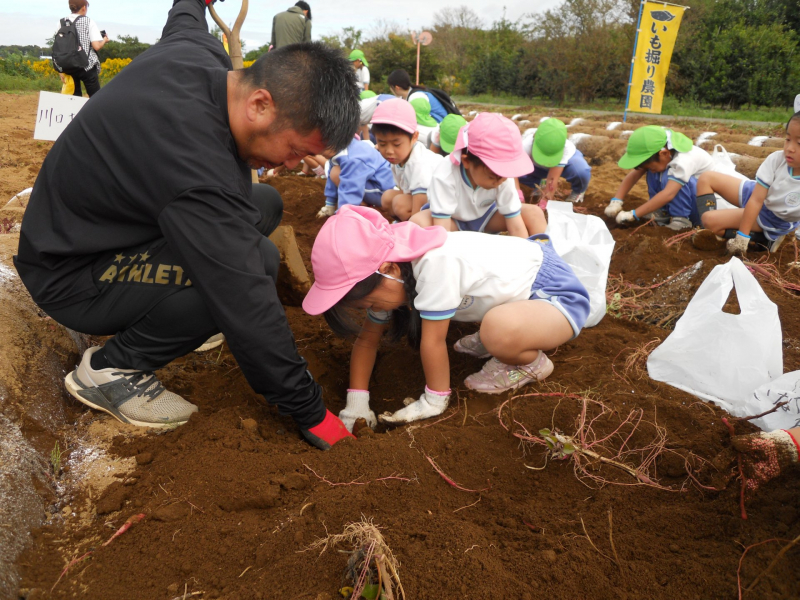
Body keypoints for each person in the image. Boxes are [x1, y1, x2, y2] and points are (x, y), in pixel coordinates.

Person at [14, 0, 360, 450]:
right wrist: (312, 412)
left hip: (104, 226)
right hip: (70, 273)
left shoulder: (201, 56)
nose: (292, 164)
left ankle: (176, 315)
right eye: (294, 150)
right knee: (252, 263)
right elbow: (247, 300)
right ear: (260, 103)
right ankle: (113, 371)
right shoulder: (197, 166)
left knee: (265, 202)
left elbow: (185, 18)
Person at [301, 205, 590, 429]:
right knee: (494, 327)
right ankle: (498, 336)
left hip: (553, 293)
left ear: (387, 270)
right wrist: (356, 404)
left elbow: (433, 341)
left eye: (371, 302)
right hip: (516, 289)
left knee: (498, 332)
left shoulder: (434, 264)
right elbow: (366, 341)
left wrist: (434, 400)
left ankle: (528, 362)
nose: (373, 309)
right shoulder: (389, 269)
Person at [411, 112, 547, 238]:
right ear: (466, 161)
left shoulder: (503, 176)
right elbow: (442, 229)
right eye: (492, 176)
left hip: (487, 218)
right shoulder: (445, 175)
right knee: (418, 223)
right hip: (453, 222)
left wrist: (526, 254)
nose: (499, 181)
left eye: (503, 175)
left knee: (534, 213)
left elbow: (516, 225)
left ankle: (546, 256)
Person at [692, 112, 800, 254]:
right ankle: (711, 233)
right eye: (787, 139)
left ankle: (764, 239)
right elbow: (756, 199)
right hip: (757, 195)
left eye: (799, 143)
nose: (789, 148)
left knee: (709, 219)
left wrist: (742, 237)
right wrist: (742, 235)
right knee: (706, 178)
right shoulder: (776, 160)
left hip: (770, 217)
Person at [605, 125, 718, 231]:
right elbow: (635, 174)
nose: (651, 169)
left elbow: (669, 194)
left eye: (651, 166)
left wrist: (634, 214)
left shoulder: (683, 161)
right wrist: (616, 200)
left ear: (664, 154)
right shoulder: (664, 152)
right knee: (656, 171)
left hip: (704, 211)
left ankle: (681, 220)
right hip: (692, 199)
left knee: (669, 177)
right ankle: (662, 212)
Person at [372, 98, 445, 222]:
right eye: (382, 144)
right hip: (426, 200)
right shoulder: (398, 158)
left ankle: (409, 226)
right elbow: (405, 189)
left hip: (442, 202)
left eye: (396, 144)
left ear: (414, 137)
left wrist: (414, 223)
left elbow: (420, 201)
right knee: (387, 198)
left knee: (400, 204)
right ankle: (403, 221)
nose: (389, 151)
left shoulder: (418, 163)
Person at [316, 137, 395, 217]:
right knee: (335, 172)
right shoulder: (341, 147)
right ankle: (362, 207)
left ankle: (363, 210)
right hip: (372, 183)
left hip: (382, 190)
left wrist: (343, 215)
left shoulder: (352, 158)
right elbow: (332, 177)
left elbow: (350, 188)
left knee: (338, 175)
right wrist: (330, 204)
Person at [519, 118, 591, 205]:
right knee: (515, 171)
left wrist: (544, 202)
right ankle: (540, 185)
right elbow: (512, 174)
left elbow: (552, 179)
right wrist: (518, 195)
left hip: (563, 167)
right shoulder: (525, 146)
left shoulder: (566, 148)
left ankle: (578, 191)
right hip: (537, 168)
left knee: (581, 172)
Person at [54, 0, 109, 98]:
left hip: (68, 65)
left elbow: (58, 47)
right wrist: (104, 40)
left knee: (73, 99)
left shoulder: (61, 22)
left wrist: (60, 71)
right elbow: (96, 46)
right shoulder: (88, 21)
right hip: (86, 65)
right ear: (84, 7)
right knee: (95, 98)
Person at [387, 69, 458, 123]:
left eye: (390, 87)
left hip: (442, 124)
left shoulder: (416, 98)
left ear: (397, 87)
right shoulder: (409, 95)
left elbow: (426, 123)